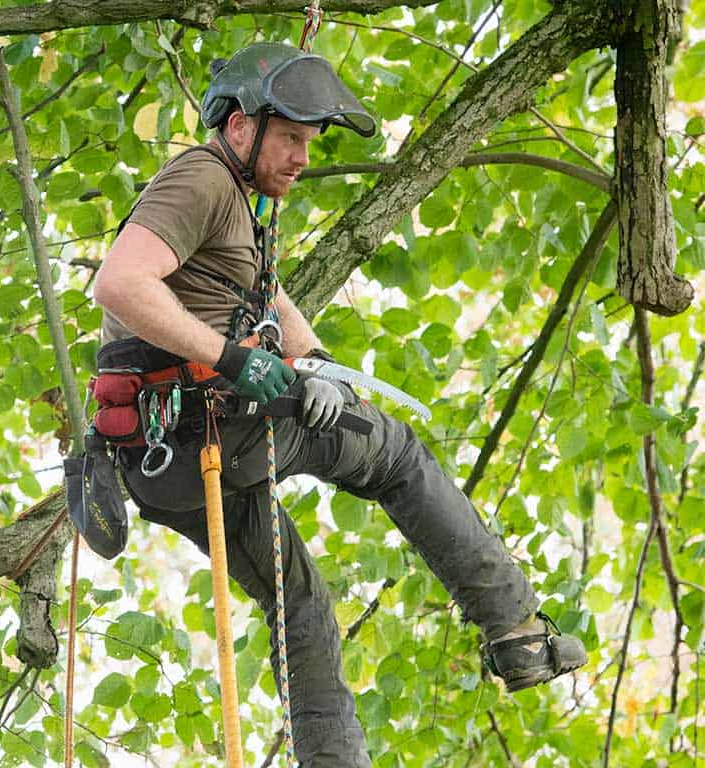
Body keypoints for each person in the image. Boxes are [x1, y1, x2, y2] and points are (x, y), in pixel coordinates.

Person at [92, 42, 587, 768]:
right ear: (239, 126)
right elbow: (120, 283)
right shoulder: (201, 178)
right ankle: (515, 630)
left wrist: (318, 363)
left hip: (163, 463)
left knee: (300, 607)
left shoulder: (246, 203)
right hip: (210, 426)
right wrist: (238, 360)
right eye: (290, 136)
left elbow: (267, 295)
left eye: (309, 141)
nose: (302, 156)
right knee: (393, 454)